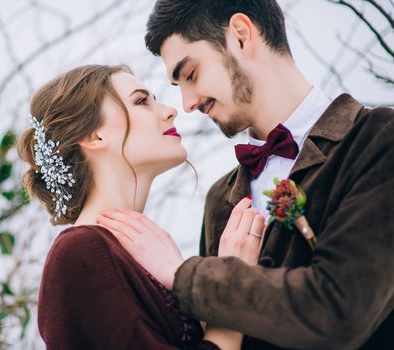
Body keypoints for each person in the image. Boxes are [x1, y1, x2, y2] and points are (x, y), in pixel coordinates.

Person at [98, 1, 394, 349]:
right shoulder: (219, 199)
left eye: (190, 75)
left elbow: (339, 311)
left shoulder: (377, 140)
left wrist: (182, 275)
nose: (187, 103)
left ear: (240, 35)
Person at [17, 64, 266, 349]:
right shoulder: (78, 253)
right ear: (93, 137)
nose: (170, 110)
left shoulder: (139, 251)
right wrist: (230, 295)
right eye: (141, 101)